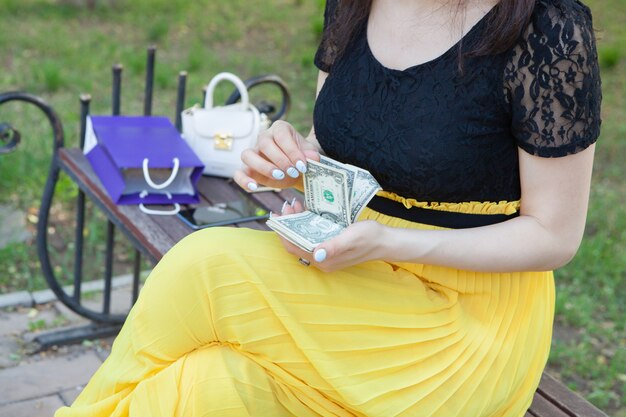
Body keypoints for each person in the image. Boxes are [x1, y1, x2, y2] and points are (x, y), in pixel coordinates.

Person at [56, 0, 601, 415]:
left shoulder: (549, 29)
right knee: (206, 385)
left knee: (206, 266)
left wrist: (394, 241)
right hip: (356, 279)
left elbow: (554, 235)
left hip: (464, 325)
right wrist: (291, 156)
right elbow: (336, 143)